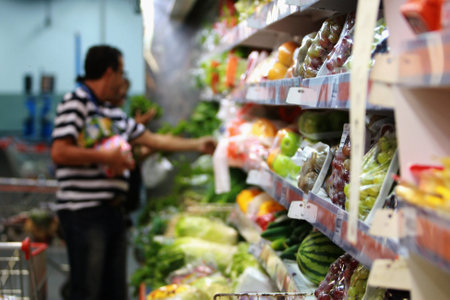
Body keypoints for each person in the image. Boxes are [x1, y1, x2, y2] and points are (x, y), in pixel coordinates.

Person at [51, 45, 216, 300]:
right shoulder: (75, 102)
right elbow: (60, 152)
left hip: (113, 211)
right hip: (84, 213)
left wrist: (197, 145)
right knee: (88, 290)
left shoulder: (112, 113)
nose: (122, 78)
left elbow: (152, 139)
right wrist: (105, 157)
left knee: (114, 291)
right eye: (121, 71)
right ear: (110, 72)